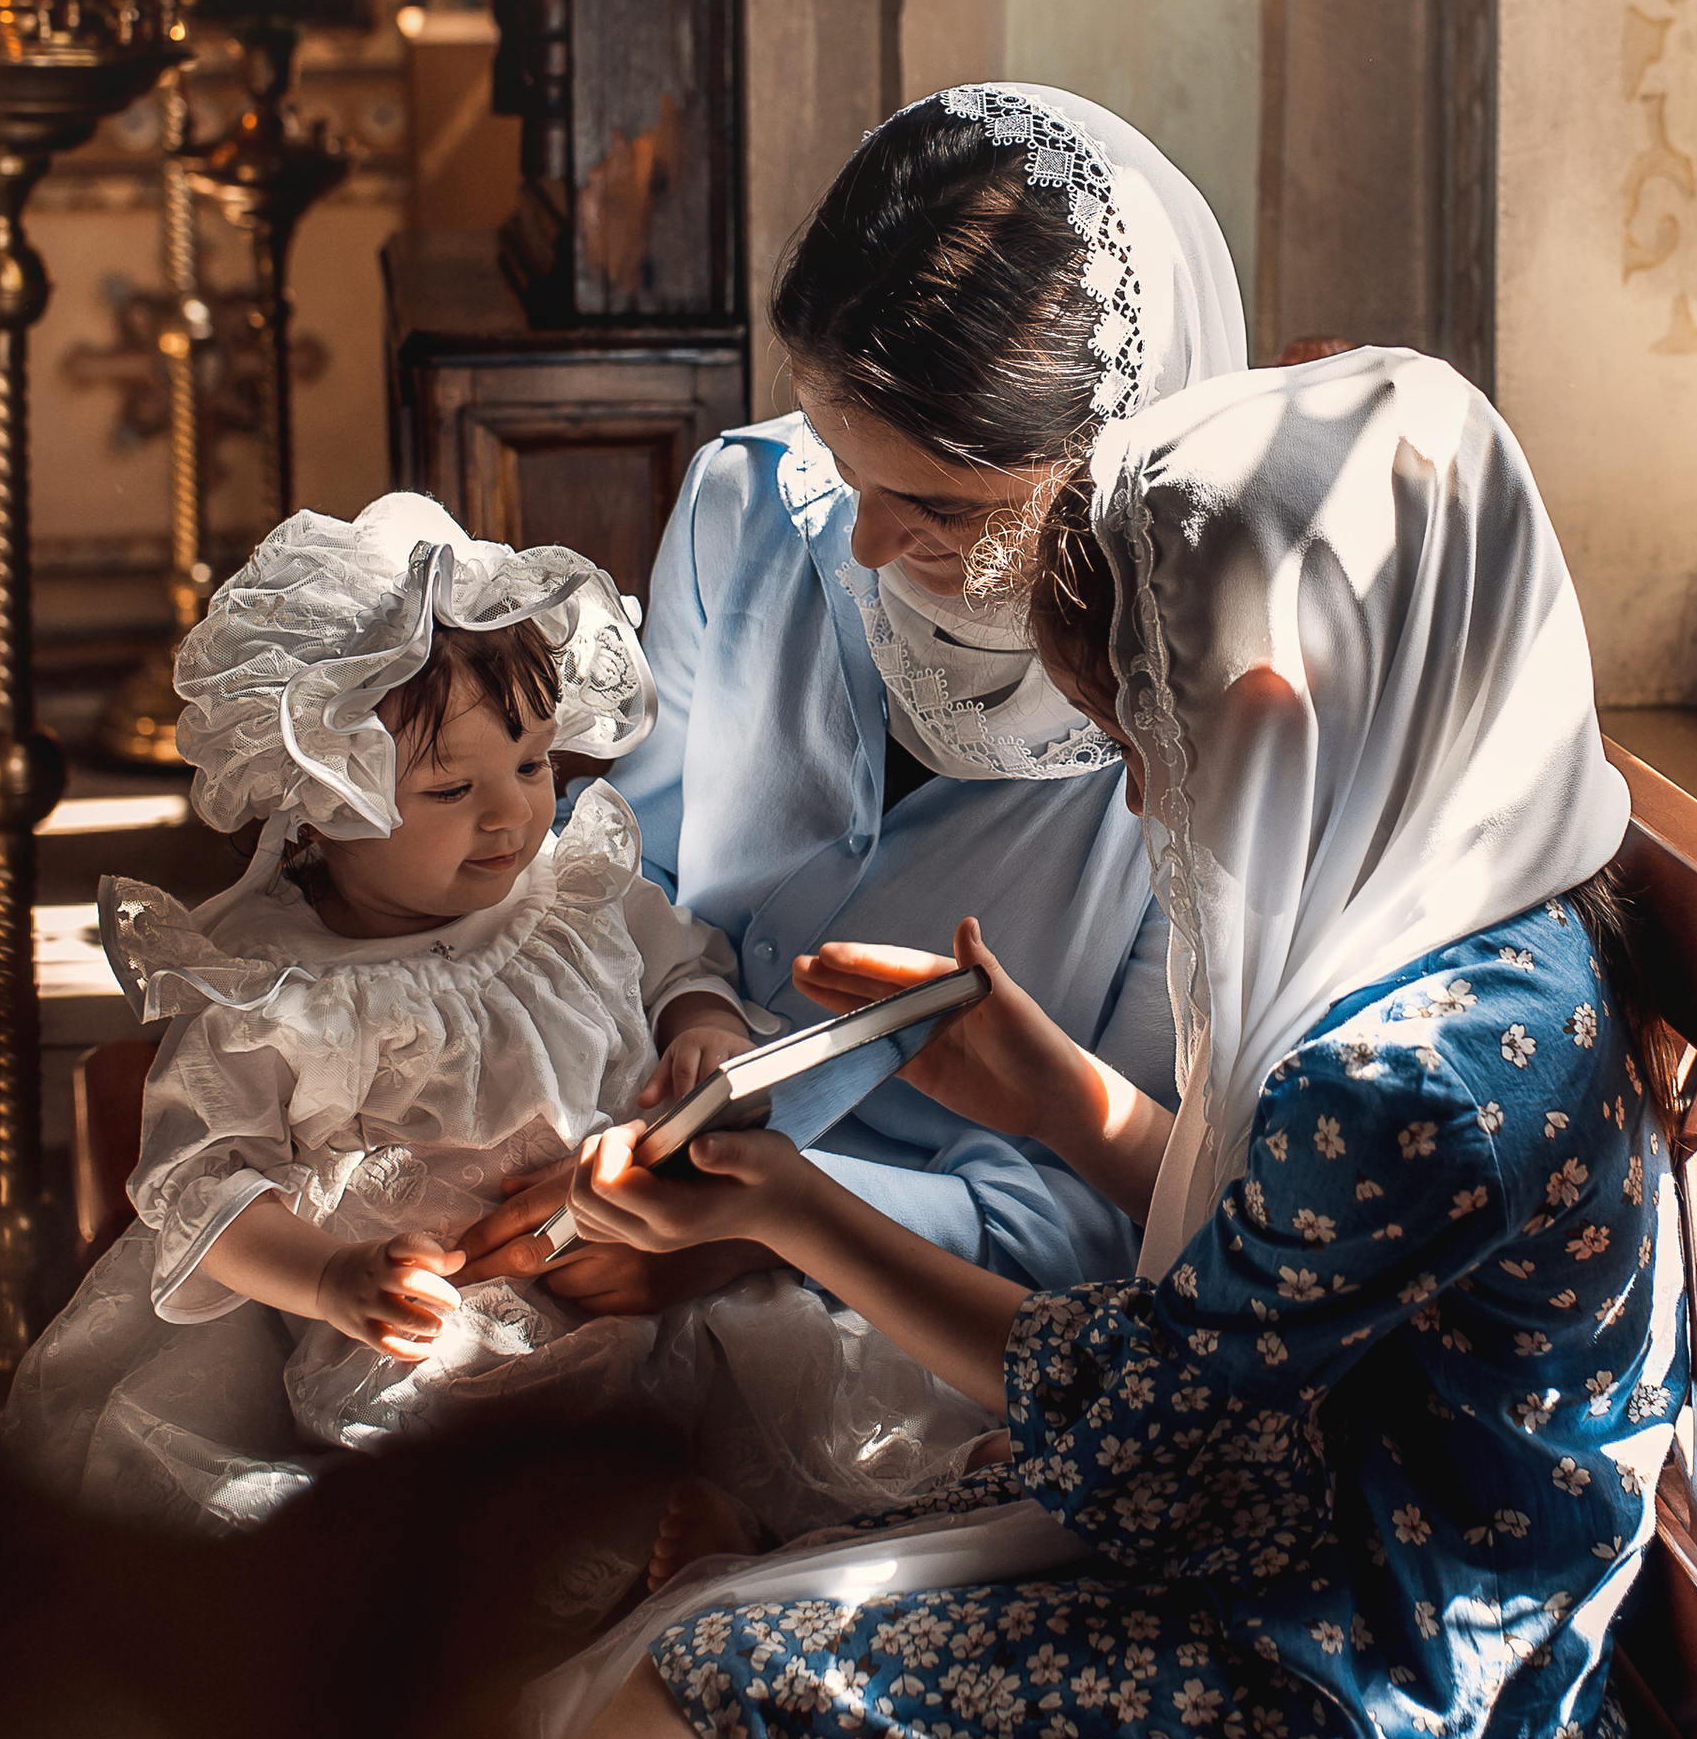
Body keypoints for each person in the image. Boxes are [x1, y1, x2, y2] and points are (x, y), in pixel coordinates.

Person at [529, 348, 1689, 1739]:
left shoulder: (1412, 1078)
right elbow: (1283, 1285)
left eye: (1146, 738)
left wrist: (788, 1209)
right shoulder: (1487, 904)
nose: (1142, 801)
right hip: (1383, 1556)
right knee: (752, 1560)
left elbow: (1147, 1445)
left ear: (1277, 715)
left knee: (691, 1704)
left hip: (1380, 1691)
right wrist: (1064, 1100)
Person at [0, 496, 987, 1545]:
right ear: (327, 797)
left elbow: (679, 962)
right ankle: (615, 1543)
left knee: (778, 1368)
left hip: (641, 1268)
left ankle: (716, 1508)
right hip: (434, 1316)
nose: (511, 813)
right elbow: (202, 1185)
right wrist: (330, 1274)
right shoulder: (272, 982)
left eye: (531, 764)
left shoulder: (573, 889)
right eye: (450, 787)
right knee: (446, 1454)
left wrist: (706, 1030)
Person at [459, 84, 1247, 1315]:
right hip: (611, 1142)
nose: (867, 542)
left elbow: (1121, 1197)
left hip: (925, 1306)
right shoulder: (751, 508)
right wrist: (698, 1007)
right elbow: (626, 869)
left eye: (942, 507)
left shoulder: (1203, 725)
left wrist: (775, 1224)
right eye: (843, 462)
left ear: (1108, 461)